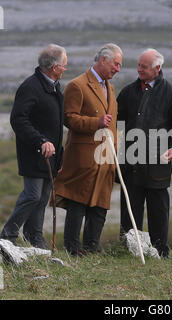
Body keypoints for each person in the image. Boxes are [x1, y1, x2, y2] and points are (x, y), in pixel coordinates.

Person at [117, 48, 172, 258]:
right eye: (139, 65)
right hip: (130, 162)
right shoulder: (128, 92)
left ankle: (160, 251)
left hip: (158, 163)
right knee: (129, 207)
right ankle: (130, 251)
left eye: (144, 67)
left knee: (158, 210)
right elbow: (118, 122)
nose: (139, 69)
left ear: (157, 69)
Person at [53, 43, 122, 256]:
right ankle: (73, 249)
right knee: (78, 203)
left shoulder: (109, 87)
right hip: (83, 157)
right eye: (116, 64)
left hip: (106, 157)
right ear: (103, 60)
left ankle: (92, 248)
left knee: (100, 204)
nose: (118, 69)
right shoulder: (78, 85)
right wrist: (96, 122)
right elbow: (69, 118)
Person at [0, 44, 66, 248]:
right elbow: (18, 119)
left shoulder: (54, 87)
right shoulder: (31, 86)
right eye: (64, 65)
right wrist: (40, 141)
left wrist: (59, 156)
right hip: (34, 153)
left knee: (43, 197)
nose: (65, 69)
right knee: (32, 195)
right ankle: (7, 236)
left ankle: (35, 238)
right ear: (54, 67)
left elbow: (55, 125)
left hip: (51, 156)